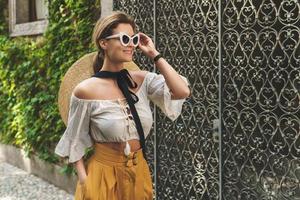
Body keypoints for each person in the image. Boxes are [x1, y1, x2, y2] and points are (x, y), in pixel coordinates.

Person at [54, 11, 190, 200]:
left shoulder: (142, 80)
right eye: (125, 38)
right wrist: (86, 184)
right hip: (102, 176)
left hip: (139, 172)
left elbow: (182, 91)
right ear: (104, 43)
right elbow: (74, 140)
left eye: (134, 39)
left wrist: (154, 54)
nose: (131, 45)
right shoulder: (85, 91)